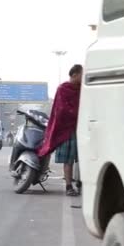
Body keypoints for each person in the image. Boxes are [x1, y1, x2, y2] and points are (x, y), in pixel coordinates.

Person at [38, 64, 83, 196]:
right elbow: (61, 109)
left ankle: (80, 183)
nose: (83, 77)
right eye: (82, 74)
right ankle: (69, 186)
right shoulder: (63, 89)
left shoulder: (82, 89)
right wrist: (77, 113)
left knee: (81, 159)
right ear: (74, 75)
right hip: (65, 129)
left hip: (80, 128)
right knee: (68, 159)